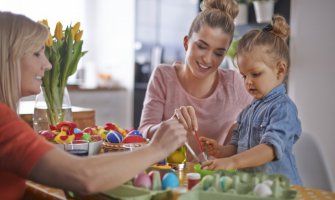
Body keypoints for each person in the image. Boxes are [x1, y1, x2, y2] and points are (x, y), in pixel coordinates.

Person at [0, 11, 188, 199]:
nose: (48, 64)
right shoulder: (4, 123)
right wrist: (156, 149)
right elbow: (84, 177)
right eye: (36, 53)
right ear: (8, 57)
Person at [138, 0, 252, 159]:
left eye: (218, 53)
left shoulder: (235, 84)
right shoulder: (164, 76)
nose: (207, 59)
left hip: (211, 178)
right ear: (186, 43)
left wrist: (235, 137)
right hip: (167, 175)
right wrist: (169, 125)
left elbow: (267, 122)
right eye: (202, 46)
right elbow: (143, 133)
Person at [200, 15, 303, 185]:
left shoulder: (283, 109)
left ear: (280, 70)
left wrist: (232, 162)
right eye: (243, 75)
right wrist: (221, 151)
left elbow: (269, 149)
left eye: (255, 74)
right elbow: (236, 147)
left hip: (280, 191)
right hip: (252, 188)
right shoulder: (247, 112)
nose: (248, 82)